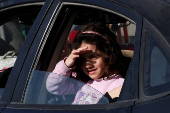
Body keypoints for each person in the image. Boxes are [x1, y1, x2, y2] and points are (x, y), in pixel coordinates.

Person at [46, 23, 129, 104]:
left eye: (93, 57)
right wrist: (66, 64)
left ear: (108, 55)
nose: (87, 65)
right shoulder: (82, 82)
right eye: (82, 60)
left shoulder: (118, 85)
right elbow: (53, 87)